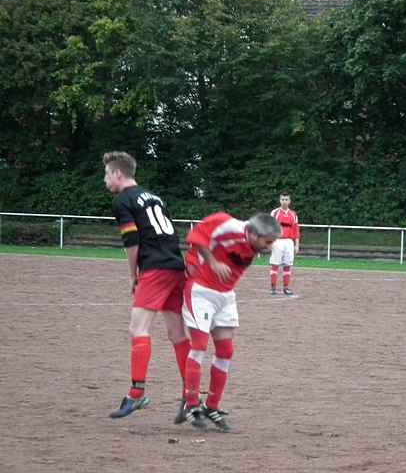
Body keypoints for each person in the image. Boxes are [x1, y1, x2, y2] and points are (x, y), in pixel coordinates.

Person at [103, 151, 191, 419]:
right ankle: (191, 397)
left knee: (137, 328)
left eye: (107, 174)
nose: (105, 180)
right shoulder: (154, 196)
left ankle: (136, 394)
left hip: (155, 268)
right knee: (177, 333)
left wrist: (133, 275)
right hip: (176, 266)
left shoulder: (123, 200)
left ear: (119, 174)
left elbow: (132, 241)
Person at [177, 212, 281, 431]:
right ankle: (191, 404)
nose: (271, 247)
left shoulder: (253, 241)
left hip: (225, 296)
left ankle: (211, 406)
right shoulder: (227, 225)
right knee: (199, 347)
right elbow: (196, 235)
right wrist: (212, 262)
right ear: (253, 234)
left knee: (225, 351)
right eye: (268, 242)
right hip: (201, 292)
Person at [269, 193, 300, 295]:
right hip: (277, 241)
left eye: (286, 199)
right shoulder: (275, 213)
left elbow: (296, 230)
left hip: (289, 242)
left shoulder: (293, 214)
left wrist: (296, 244)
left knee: (287, 265)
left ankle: (286, 288)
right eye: (282, 199)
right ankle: (273, 287)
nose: (284, 201)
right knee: (275, 264)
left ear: (289, 201)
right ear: (280, 200)